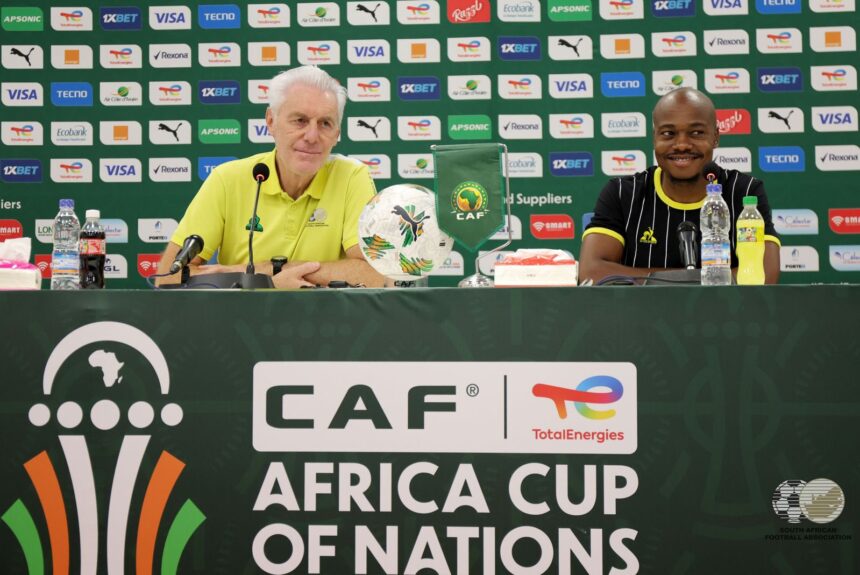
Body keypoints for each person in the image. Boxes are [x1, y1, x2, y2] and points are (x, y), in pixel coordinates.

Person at [156, 66, 385, 288]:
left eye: (325, 123)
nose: (312, 136)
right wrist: (273, 283)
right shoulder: (227, 179)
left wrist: (267, 272)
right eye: (300, 121)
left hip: (324, 323)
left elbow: (374, 274)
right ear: (270, 121)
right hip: (239, 321)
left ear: (337, 134)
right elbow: (168, 277)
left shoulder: (352, 176)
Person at [579, 88, 781, 284]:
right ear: (654, 137)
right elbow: (592, 272)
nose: (682, 144)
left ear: (715, 137)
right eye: (668, 133)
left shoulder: (744, 192)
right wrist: (699, 281)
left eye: (696, 132)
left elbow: (762, 274)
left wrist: (656, 281)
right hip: (640, 317)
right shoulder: (623, 194)